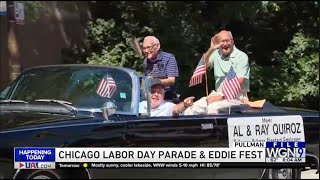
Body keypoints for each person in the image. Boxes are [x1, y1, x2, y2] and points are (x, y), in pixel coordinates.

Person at [184, 30, 250, 115]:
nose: (225, 43)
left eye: (227, 40)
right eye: (222, 41)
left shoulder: (241, 56)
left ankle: (214, 129)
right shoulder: (216, 54)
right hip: (216, 95)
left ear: (232, 42)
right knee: (190, 109)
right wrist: (211, 49)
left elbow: (238, 82)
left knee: (213, 107)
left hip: (236, 97)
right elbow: (204, 65)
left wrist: (219, 98)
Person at [142, 36, 179, 100]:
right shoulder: (145, 61)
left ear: (157, 46)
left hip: (168, 98)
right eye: (144, 48)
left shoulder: (169, 58)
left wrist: (155, 82)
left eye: (148, 47)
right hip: (151, 98)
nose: (146, 51)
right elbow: (144, 80)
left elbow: (171, 80)